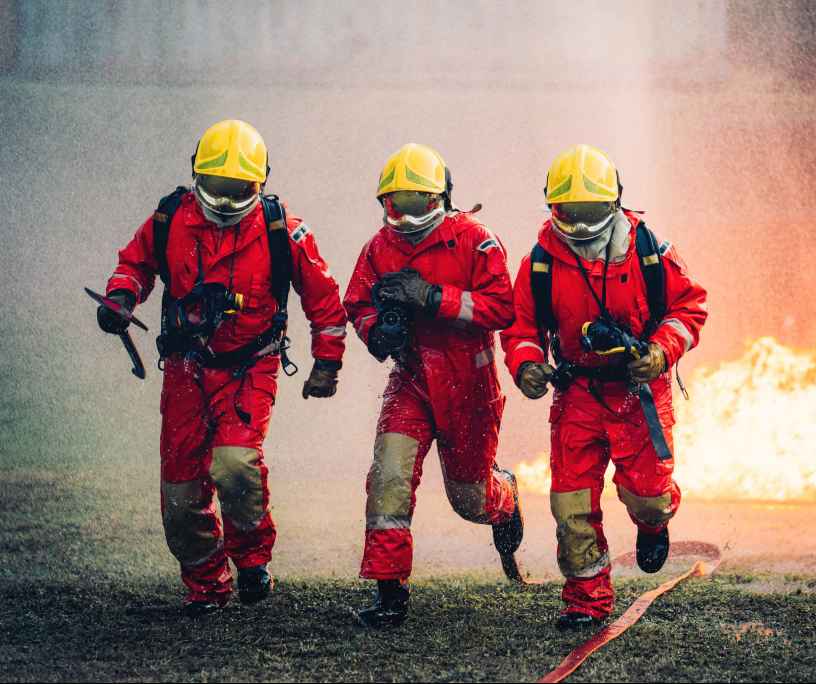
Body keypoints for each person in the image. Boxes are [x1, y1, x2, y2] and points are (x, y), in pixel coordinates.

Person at [97, 119, 346, 616]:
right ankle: (206, 585)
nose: (227, 201)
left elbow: (324, 299)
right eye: (216, 187)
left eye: (239, 190)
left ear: (261, 183)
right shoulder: (169, 219)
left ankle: (252, 561)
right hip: (185, 367)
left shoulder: (283, 231)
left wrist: (327, 363)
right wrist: (120, 298)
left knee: (235, 463)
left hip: (251, 365)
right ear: (196, 175)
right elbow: (135, 265)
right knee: (180, 489)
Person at [500, 144, 708, 629]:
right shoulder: (540, 262)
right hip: (578, 394)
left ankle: (654, 524)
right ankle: (586, 602)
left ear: (614, 202)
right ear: (552, 206)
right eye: (568, 212)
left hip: (639, 394)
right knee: (571, 505)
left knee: (649, 495)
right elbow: (520, 328)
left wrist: (659, 352)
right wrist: (527, 365)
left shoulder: (650, 250)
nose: (578, 224)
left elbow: (690, 308)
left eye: (589, 212)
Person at [343, 143, 524, 627]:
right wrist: (377, 331)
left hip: (469, 385)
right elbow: (357, 302)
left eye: (416, 202)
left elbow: (501, 308)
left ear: (440, 197)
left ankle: (505, 498)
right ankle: (389, 591)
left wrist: (432, 297)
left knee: (470, 500)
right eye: (395, 203)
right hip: (412, 379)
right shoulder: (378, 248)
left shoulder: (476, 240)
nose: (405, 215)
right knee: (389, 475)